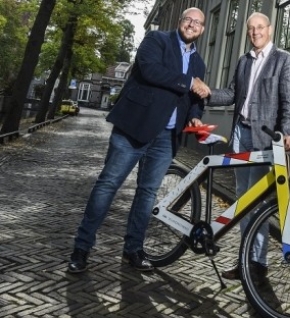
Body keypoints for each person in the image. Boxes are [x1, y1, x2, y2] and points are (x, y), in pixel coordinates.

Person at [67, 7, 211, 273]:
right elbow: (150, 70)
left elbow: (194, 101)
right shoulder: (157, 40)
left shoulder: (199, 63)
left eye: (197, 23)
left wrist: (194, 116)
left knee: (147, 195)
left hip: (166, 138)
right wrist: (190, 82)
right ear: (181, 22)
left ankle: (133, 250)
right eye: (188, 20)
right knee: (108, 185)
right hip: (133, 128)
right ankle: (81, 248)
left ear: (202, 30)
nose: (192, 25)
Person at [205, 12, 290, 280]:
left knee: (255, 203)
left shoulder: (284, 60)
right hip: (240, 135)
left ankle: (256, 263)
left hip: (263, 139)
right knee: (242, 200)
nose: (255, 32)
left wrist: (288, 130)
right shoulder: (244, 61)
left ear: (269, 30)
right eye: (251, 29)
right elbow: (233, 94)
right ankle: (247, 259)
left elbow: (289, 101)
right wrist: (207, 93)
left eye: (260, 27)